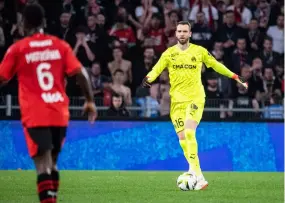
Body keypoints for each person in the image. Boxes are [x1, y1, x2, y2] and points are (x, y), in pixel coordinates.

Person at [0, 4, 97, 203]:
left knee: (42, 165)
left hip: (35, 113)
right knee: (52, 163)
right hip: (59, 112)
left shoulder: (18, 49)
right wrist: (89, 101)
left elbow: (2, 78)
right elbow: (80, 73)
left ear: (24, 24)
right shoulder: (60, 46)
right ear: (44, 22)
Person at [141, 21, 248, 190]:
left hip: (195, 98)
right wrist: (148, 78)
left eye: (185, 31)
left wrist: (235, 77)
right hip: (176, 102)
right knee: (183, 140)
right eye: (179, 31)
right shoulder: (169, 54)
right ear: (176, 34)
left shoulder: (199, 52)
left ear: (190, 34)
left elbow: (216, 65)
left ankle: (195, 172)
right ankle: (198, 175)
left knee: (190, 133)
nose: (182, 34)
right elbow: (156, 69)